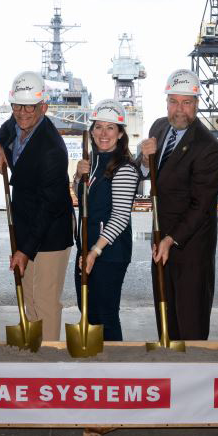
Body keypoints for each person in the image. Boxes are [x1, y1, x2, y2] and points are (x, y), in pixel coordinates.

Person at [137, 69, 218, 340]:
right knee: (166, 315)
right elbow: (147, 173)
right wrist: (141, 159)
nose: (179, 110)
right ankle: (170, 367)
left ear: (197, 104)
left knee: (190, 320)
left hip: (190, 247)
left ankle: (194, 376)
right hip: (160, 239)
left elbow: (201, 206)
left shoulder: (208, 147)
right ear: (166, 103)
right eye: (174, 102)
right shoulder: (159, 128)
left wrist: (171, 239)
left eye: (186, 103)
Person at [0, 71, 74, 341]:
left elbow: (48, 207)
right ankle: (32, 355)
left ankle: (47, 363)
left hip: (49, 234)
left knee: (45, 302)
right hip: (26, 226)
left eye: (30, 107)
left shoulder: (51, 149)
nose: (22, 112)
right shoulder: (18, 124)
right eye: (17, 105)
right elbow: (7, 127)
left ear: (44, 107)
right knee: (28, 299)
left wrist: (25, 250)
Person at [72, 99, 139, 341]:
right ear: (91, 130)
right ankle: (93, 370)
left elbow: (120, 217)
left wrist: (94, 252)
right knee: (87, 311)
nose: (103, 133)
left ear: (121, 133)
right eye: (98, 127)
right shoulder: (93, 162)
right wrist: (78, 177)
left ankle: (114, 369)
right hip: (87, 247)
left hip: (108, 253)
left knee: (105, 315)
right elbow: (84, 198)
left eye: (110, 127)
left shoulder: (125, 169)